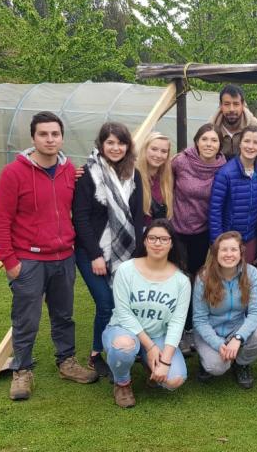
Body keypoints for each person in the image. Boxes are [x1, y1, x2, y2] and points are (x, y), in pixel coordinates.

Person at [0, 111, 98, 401]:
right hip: (29, 260)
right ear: (33, 138)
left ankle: (67, 362)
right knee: (26, 319)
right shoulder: (14, 173)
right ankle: (22, 371)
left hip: (63, 257)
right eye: (43, 134)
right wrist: (10, 262)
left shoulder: (67, 171)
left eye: (55, 134)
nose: (50, 139)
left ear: (62, 138)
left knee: (64, 315)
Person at [73, 122, 144, 377]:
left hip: (126, 253)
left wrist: (137, 256)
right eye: (110, 142)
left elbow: (137, 217)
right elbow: (80, 218)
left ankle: (123, 346)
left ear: (128, 146)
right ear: (101, 144)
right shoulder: (88, 174)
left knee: (123, 303)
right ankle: (95, 354)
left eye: (121, 143)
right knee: (105, 303)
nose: (116, 148)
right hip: (91, 252)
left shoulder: (133, 174)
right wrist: (95, 255)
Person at [102, 219, 191, 408]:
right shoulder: (126, 270)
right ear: (144, 241)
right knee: (123, 347)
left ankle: (149, 364)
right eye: (152, 238)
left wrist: (165, 361)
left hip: (158, 335)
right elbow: (123, 312)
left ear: (171, 243)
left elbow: (177, 323)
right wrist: (150, 347)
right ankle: (123, 383)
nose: (157, 243)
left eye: (163, 239)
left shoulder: (182, 281)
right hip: (124, 330)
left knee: (174, 380)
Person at [171, 123, 227, 353]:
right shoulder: (180, 162)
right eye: (205, 139)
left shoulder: (222, 166)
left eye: (214, 141)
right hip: (177, 230)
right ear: (196, 141)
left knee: (195, 280)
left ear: (219, 146)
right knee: (177, 279)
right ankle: (174, 329)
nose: (209, 144)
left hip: (202, 232)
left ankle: (191, 328)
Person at [192, 231, 257, 388]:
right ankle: (210, 359)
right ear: (216, 253)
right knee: (216, 367)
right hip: (211, 331)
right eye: (224, 250)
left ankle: (241, 363)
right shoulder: (204, 277)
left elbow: (256, 312)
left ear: (241, 252)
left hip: (236, 328)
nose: (229, 254)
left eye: (233, 250)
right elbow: (199, 319)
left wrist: (238, 338)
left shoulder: (252, 273)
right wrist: (217, 344)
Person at [208, 125, 257, 263]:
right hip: (228, 239)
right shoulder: (225, 173)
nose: (250, 146)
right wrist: (218, 241)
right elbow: (215, 210)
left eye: (256, 142)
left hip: (250, 238)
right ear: (240, 143)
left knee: (245, 276)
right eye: (247, 141)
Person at [208, 84, 257, 158]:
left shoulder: (256, 126)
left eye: (236, 104)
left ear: (243, 105)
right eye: (227, 104)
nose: (231, 109)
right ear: (220, 105)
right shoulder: (211, 127)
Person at [136, 132, 174, 225]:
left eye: (164, 151)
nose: (158, 155)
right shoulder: (133, 176)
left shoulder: (167, 178)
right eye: (154, 149)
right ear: (145, 149)